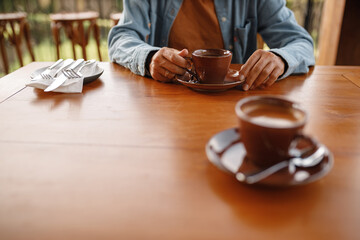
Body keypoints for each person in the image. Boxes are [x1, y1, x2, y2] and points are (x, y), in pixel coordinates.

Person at [108, 0, 315, 91]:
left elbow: (301, 42)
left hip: (235, 105)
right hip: (164, 105)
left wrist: (279, 59)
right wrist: (149, 58)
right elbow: (121, 37)